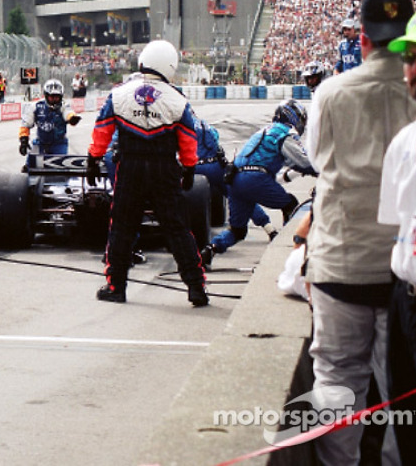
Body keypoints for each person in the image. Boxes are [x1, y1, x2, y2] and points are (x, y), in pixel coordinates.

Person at [304, 0, 416, 466]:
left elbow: (313, 157)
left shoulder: (331, 91)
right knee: (405, 391)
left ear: (362, 39)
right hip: (408, 268)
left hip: (341, 262)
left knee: (335, 379)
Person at [86, 39, 209, 307]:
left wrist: (93, 158)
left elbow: (103, 128)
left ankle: (116, 286)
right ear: (169, 66)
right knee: (177, 229)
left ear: (144, 61)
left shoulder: (119, 94)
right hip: (164, 168)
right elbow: (190, 139)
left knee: (121, 228)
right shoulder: (178, 100)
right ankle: (196, 287)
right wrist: (189, 168)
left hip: (129, 167)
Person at [378, 7, 416, 466]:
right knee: (406, 413)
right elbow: (396, 222)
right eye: (410, 58)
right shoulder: (403, 143)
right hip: (406, 300)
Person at [200, 99, 314, 267]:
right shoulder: (285, 133)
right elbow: (303, 162)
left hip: (234, 179)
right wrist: (321, 170)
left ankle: (210, 250)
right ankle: (289, 249)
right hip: (255, 178)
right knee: (290, 204)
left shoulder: (264, 131)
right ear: (294, 116)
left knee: (237, 230)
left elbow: (288, 167)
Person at [193, 115, 278, 241]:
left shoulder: (181, 124)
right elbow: (216, 138)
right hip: (216, 165)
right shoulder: (203, 123)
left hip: (197, 168)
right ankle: (269, 228)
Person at [18, 79, 81, 169]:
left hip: (59, 144)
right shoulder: (36, 106)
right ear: (46, 96)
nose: (55, 100)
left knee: (61, 168)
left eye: (57, 97)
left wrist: (72, 118)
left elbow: (68, 113)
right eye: (52, 97)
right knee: (29, 167)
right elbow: (25, 124)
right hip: (40, 143)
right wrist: (23, 141)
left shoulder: (64, 106)